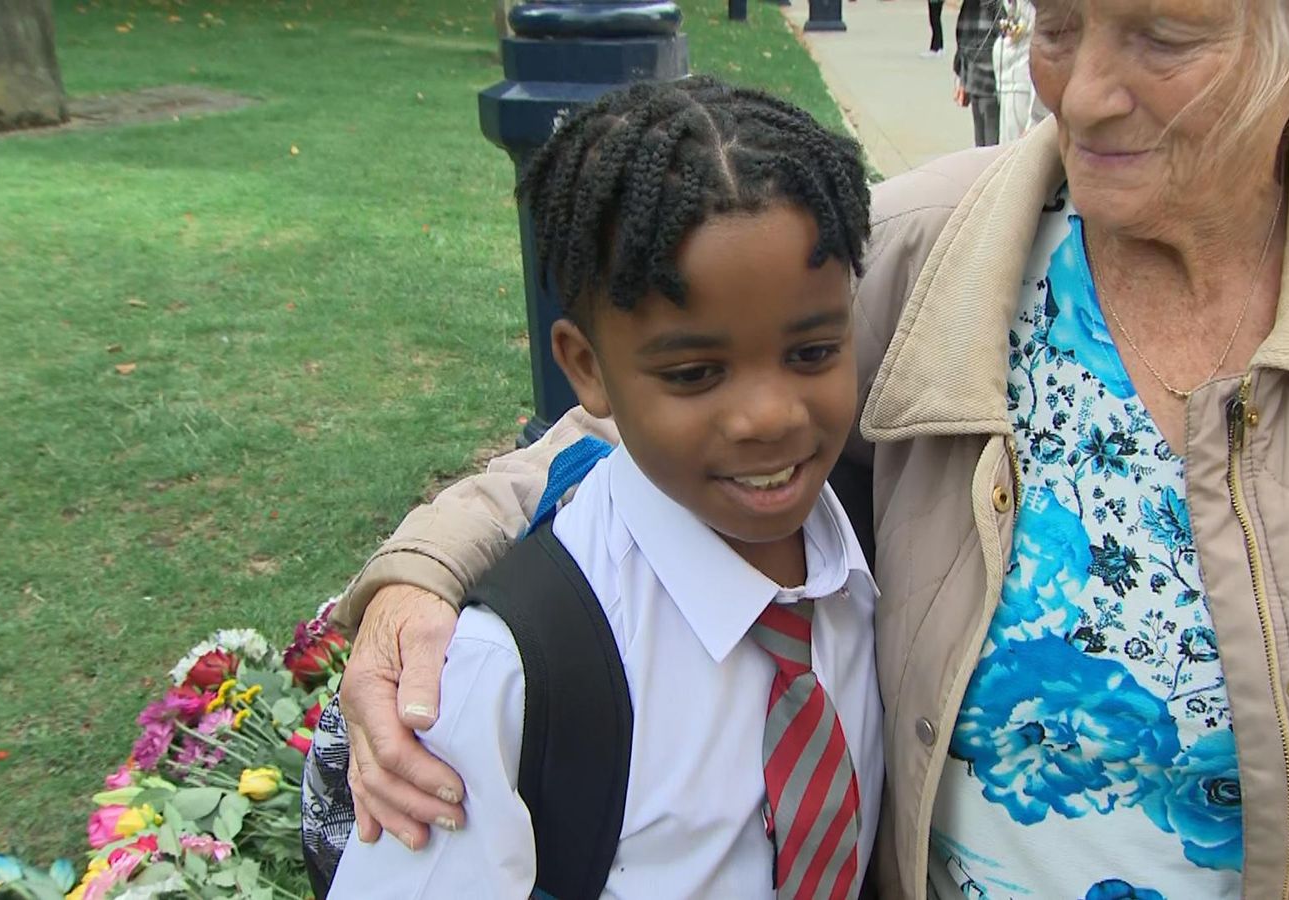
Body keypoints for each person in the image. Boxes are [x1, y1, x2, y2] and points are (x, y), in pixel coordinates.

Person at [332, 0, 1289, 897]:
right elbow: (637, 413)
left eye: (1162, 39)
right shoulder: (929, 249)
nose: (1080, 94)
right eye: (1060, 25)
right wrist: (420, 576)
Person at [322, 76, 883, 898]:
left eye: (811, 353)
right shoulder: (501, 675)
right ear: (586, 367)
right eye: (695, 373)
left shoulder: (875, 546)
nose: (769, 416)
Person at [991, 0, 1044, 143]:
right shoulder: (1010, 8)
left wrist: (1034, 122)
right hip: (1007, 85)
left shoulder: (1034, 12)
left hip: (1024, 86)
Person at [952, 0, 1001, 146]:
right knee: (984, 142)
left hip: (987, 78)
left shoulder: (994, 5)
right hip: (979, 77)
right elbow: (962, 38)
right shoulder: (974, 5)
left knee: (988, 143)